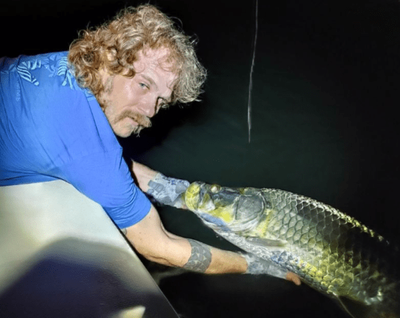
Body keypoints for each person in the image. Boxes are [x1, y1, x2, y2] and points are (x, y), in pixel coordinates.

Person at [0, 4, 300, 285]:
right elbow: (160, 248)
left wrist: (184, 196)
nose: (149, 111)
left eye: (161, 101)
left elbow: (110, 163)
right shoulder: (89, 152)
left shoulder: (66, 65)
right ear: (109, 59)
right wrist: (260, 265)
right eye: (144, 85)